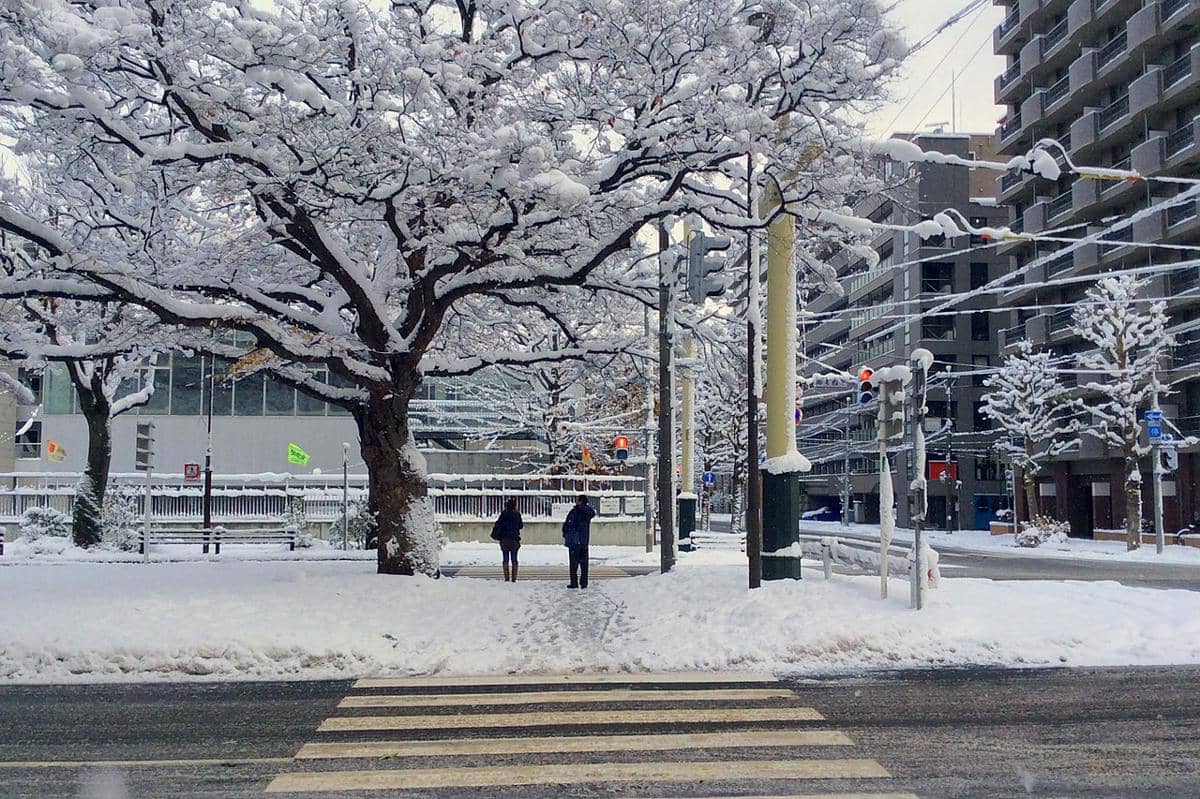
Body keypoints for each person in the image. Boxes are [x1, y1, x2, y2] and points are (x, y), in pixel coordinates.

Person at [562, 494, 596, 589]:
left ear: (580, 501)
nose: (575, 501)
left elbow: (569, 524)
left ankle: (574, 582)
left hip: (574, 541)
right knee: (584, 563)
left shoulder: (575, 512)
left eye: (577, 500)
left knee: (574, 564)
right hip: (584, 540)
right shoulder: (588, 512)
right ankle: (584, 582)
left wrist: (565, 532)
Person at [490, 498, 523, 582]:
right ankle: (514, 578)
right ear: (514, 506)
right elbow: (520, 526)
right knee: (514, 559)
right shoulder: (517, 514)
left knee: (505, 559)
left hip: (504, 540)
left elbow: (498, 524)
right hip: (514, 540)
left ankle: (506, 577)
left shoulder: (503, 514)